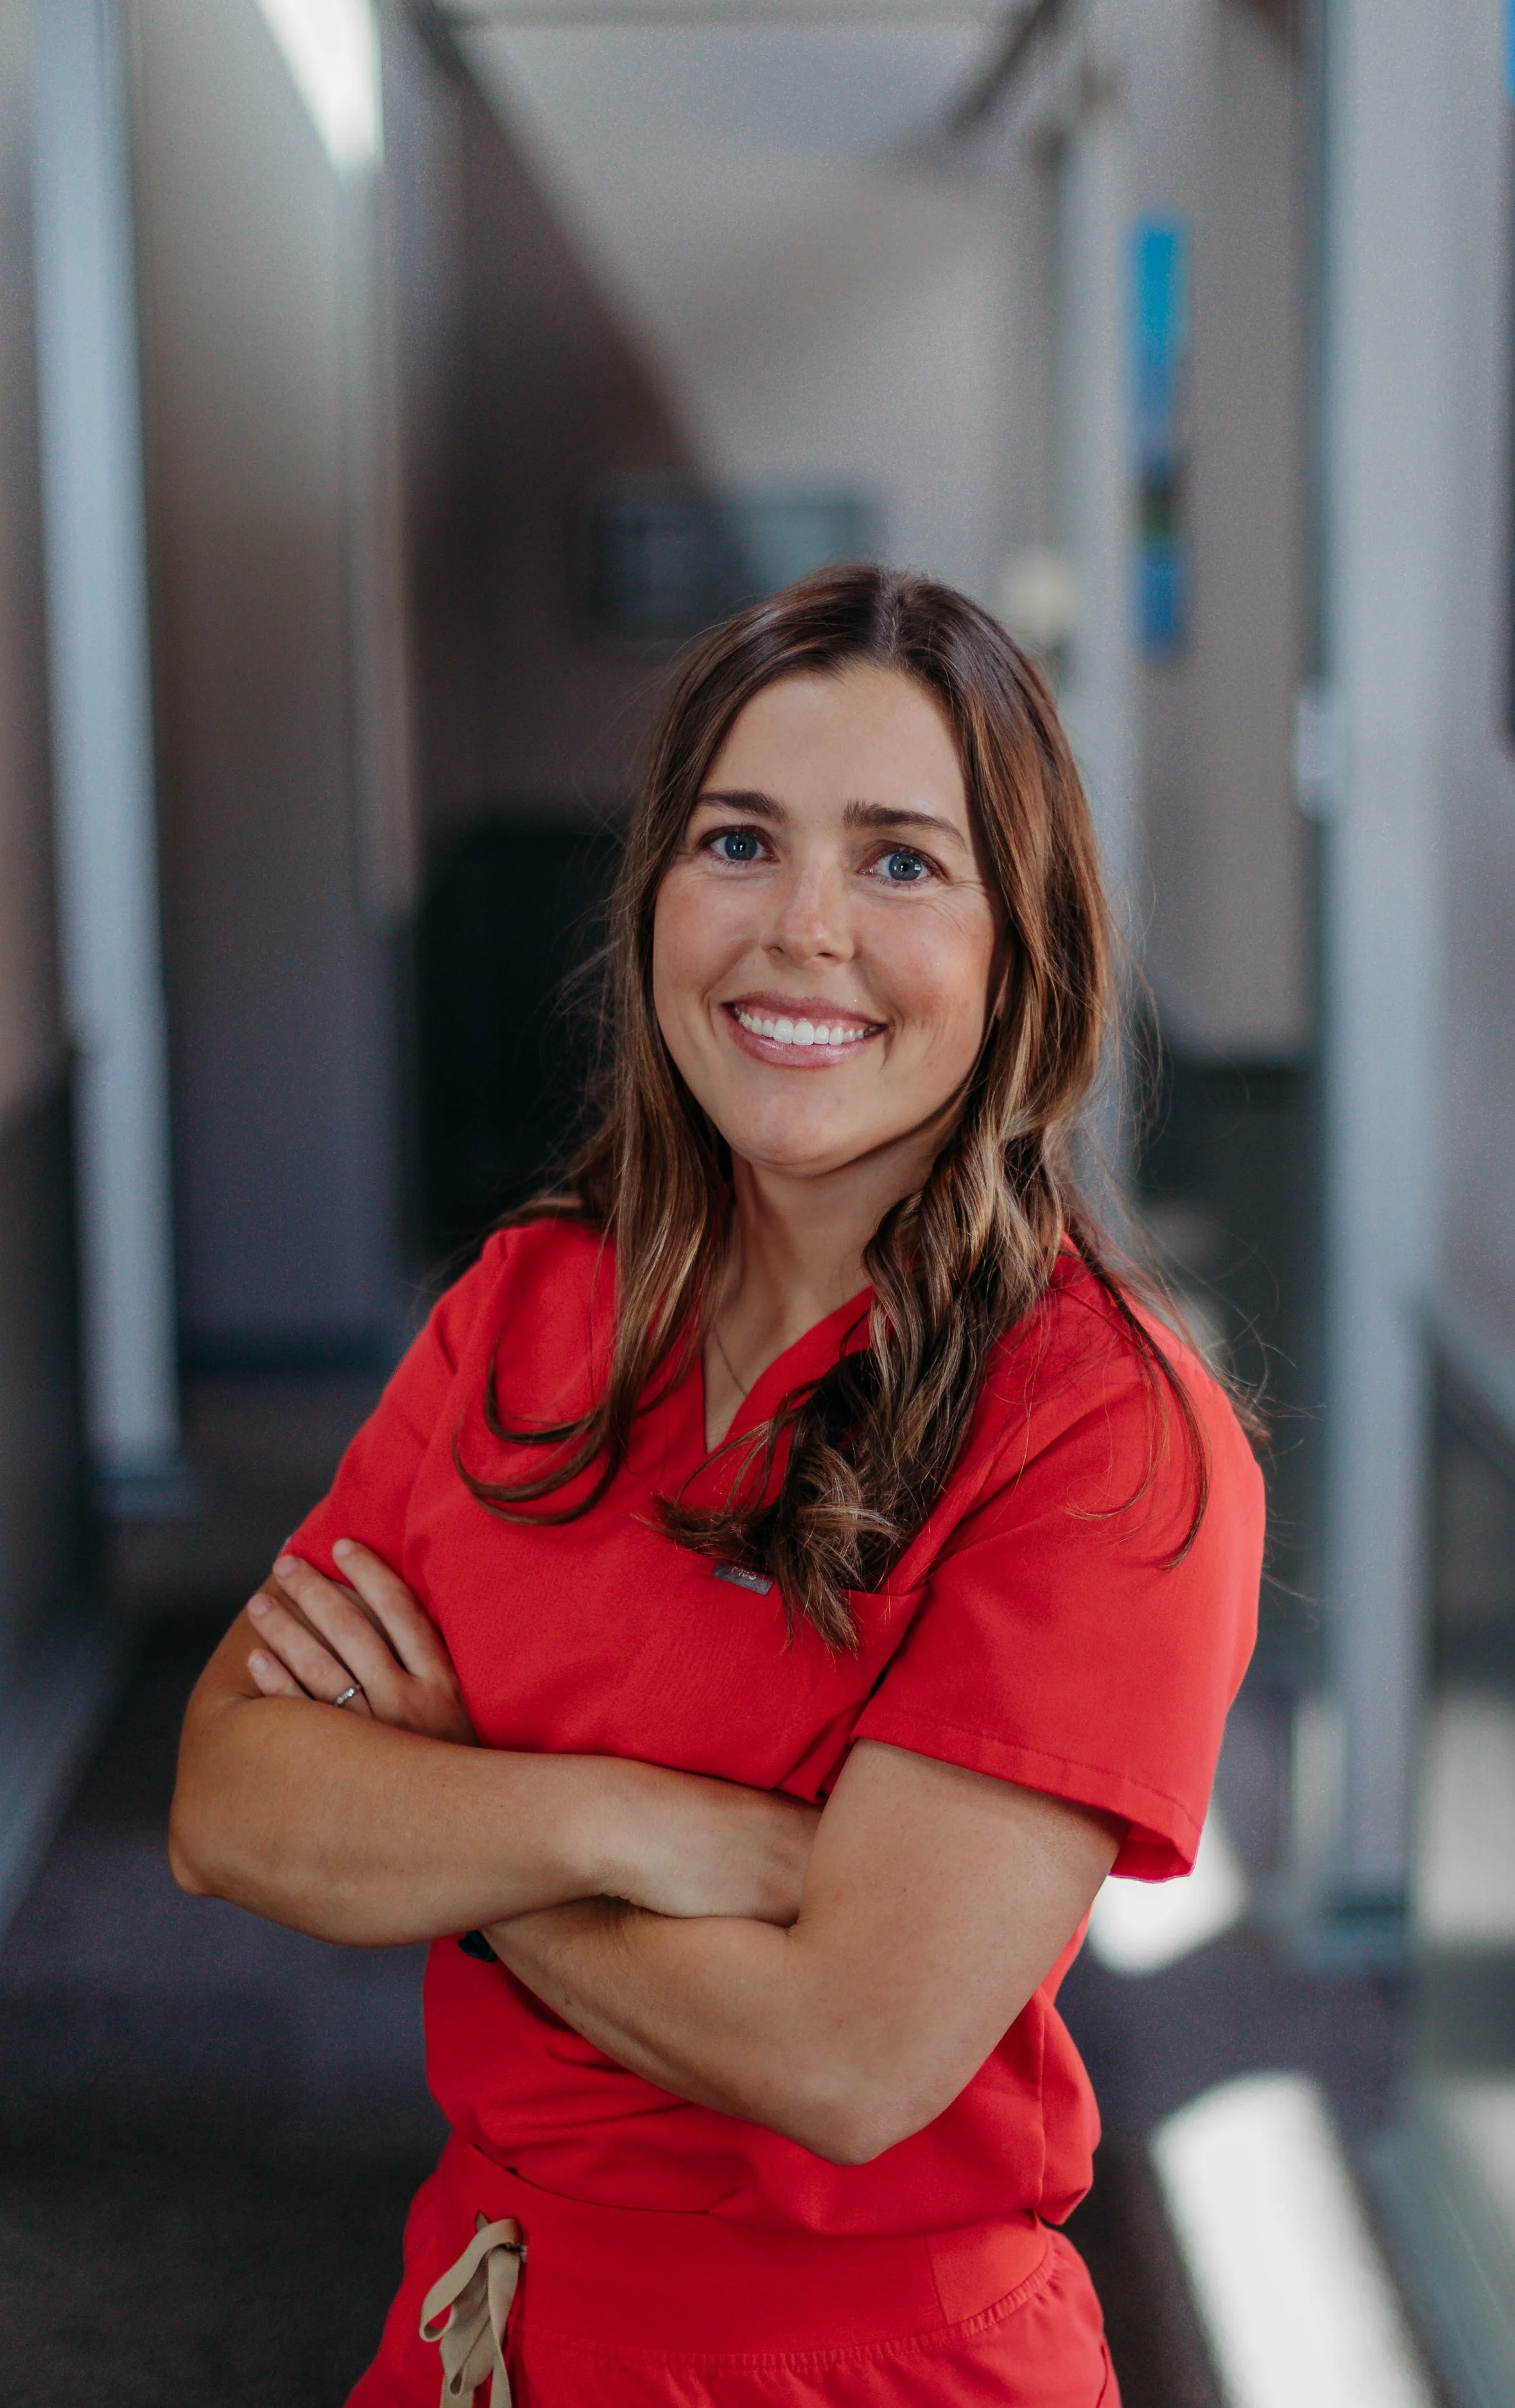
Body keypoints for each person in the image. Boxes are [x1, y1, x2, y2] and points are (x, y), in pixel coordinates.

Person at [169, 564, 1263, 2407]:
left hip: (871, 2364)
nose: (802, 929)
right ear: (658, 893)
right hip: (483, 2324)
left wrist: (458, 1815)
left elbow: (847, 2052)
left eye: (902, 859)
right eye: (739, 841)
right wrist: (618, 1820)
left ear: (1022, 950)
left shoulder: (1100, 1425)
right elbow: (226, 1802)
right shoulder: (531, 1307)